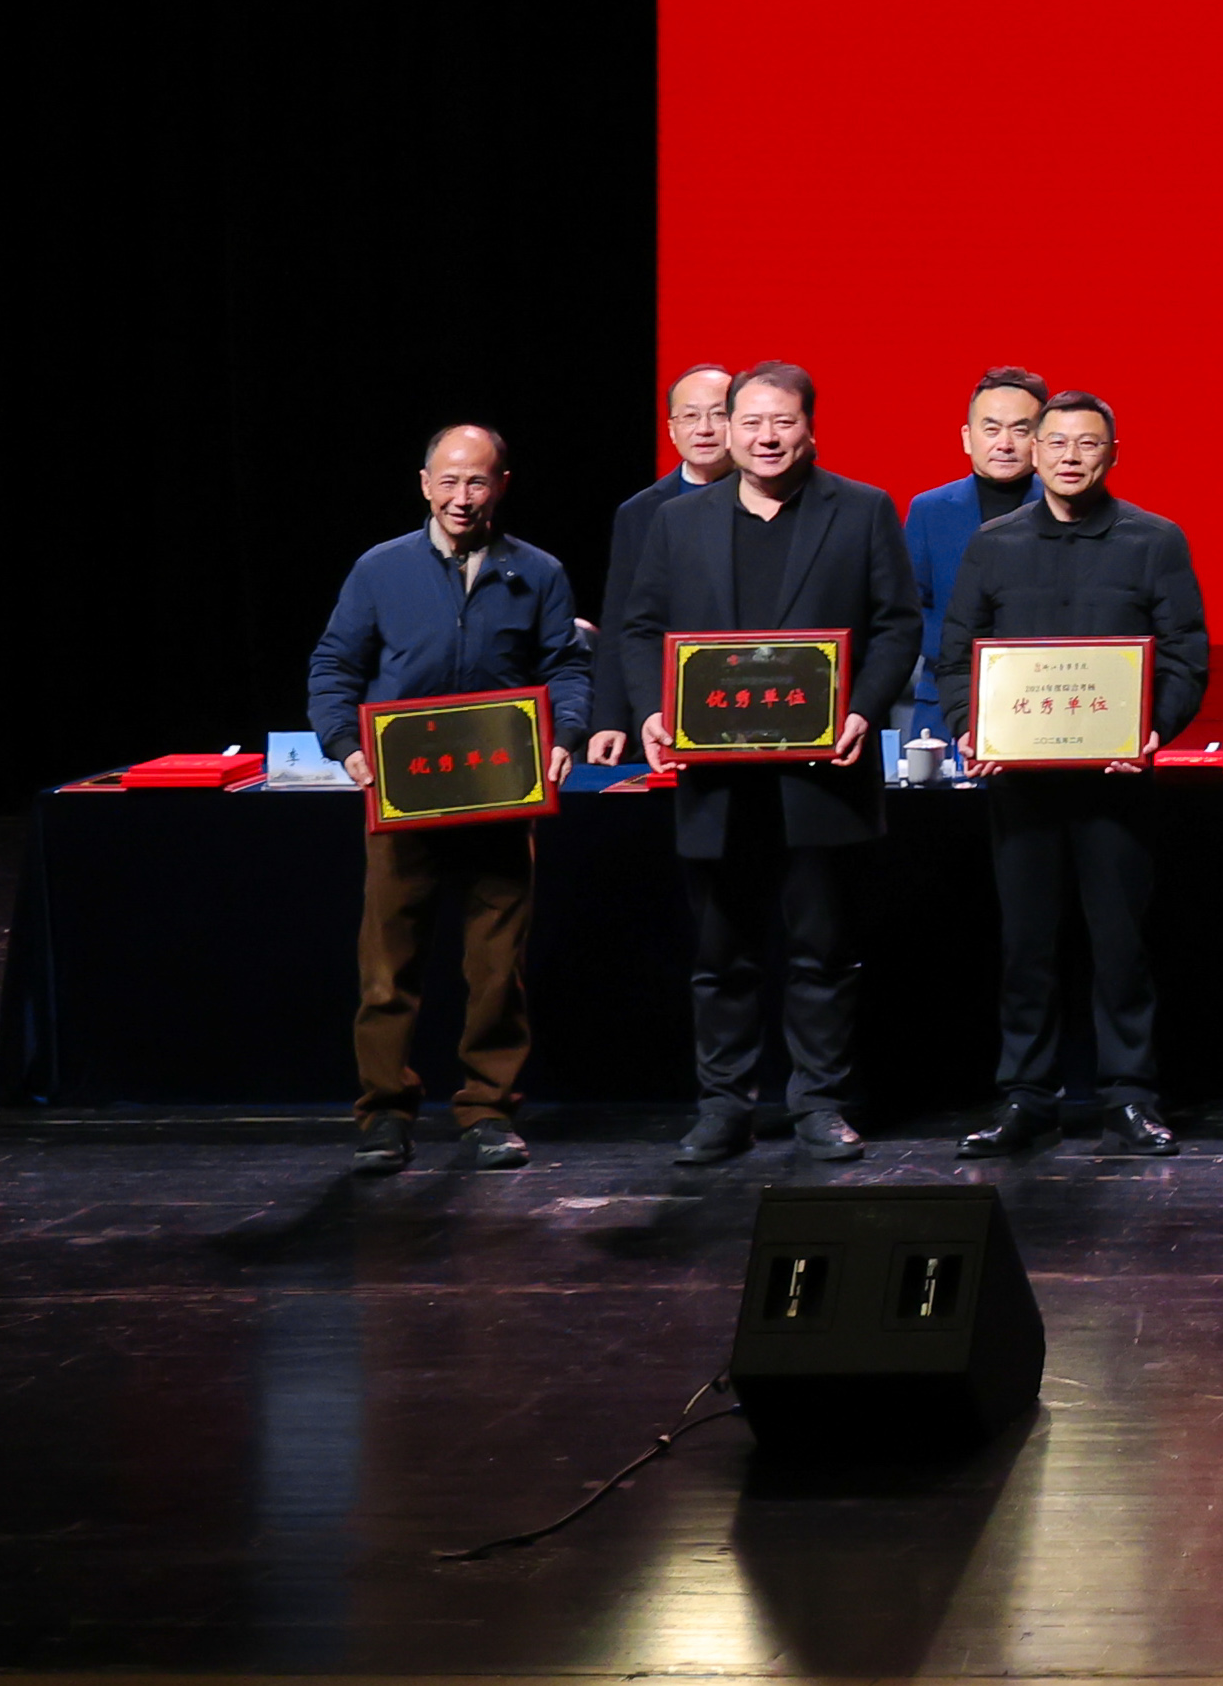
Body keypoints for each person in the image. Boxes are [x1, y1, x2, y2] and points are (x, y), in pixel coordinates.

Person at [590, 361, 918, 1164]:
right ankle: (722, 1108)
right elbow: (639, 628)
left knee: (823, 951)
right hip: (717, 779)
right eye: (752, 423)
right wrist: (653, 710)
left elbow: (897, 625)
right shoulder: (678, 521)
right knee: (720, 956)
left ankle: (820, 1105)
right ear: (730, 431)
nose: (767, 438)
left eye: (783, 422)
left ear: (811, 430)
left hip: (824, 773)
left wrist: (861, 710)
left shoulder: (863, 509)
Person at [304, 422, 595, 1174]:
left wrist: (566, 733)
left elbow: (566, 665)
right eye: (448, 480)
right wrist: (345, 745)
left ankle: (488, 1111)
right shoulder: (381, 567)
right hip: (402, 796)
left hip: (502, 792)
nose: (461, 497)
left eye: (477, 481)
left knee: (497, 967)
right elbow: (334, 664)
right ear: (424, 484)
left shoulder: (539, 571)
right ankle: (384, 1112)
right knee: (387, 965)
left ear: (502, 485)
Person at [931, 391, 1210, 1156]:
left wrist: (1154, 730)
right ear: (1035, 450)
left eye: (1087, 443)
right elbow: (956, 654)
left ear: (1113, 453)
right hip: (1020, 786)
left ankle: (1131, 1095)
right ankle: (1026, 1098)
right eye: (1055, 442)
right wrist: (968, 727)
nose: (1069, 456)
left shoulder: (1154, 540)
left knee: (1122, 945)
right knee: (1027, 947)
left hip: (1117, 783)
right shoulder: (994, 544)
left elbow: (1186, 654)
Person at [897, 367, 1048, 637]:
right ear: (967, 438)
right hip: (948, 661)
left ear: (1041, 440)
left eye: (1020, 431)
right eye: (991, 430)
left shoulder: (1063, 509)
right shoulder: (928, 511)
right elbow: (907, 610)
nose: (1005, 444)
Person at [605, 363, 734, 614]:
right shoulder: (638, 512)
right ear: (671, 430)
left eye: (719, 414)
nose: (704, 429)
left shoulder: (767, 497)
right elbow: (620, 612)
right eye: (690, 416)